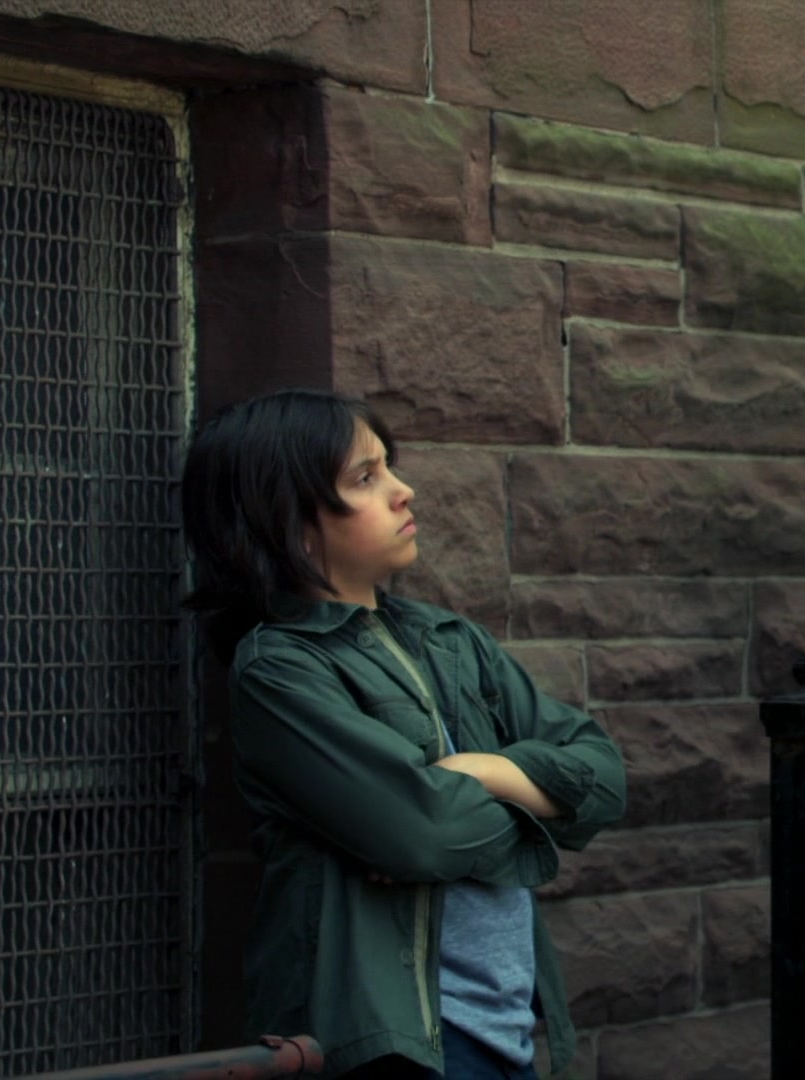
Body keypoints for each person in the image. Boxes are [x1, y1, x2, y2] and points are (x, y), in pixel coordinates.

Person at [181, 389, 626, 1078]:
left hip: (507, 1029)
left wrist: (483, 772)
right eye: (366, 477)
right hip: (399, 1045)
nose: (402, 490)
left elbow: (605, 776)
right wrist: (541, 802)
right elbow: (426, 834)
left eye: (389, 466)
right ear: (291, 521)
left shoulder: (450, 639)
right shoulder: (280, 669)